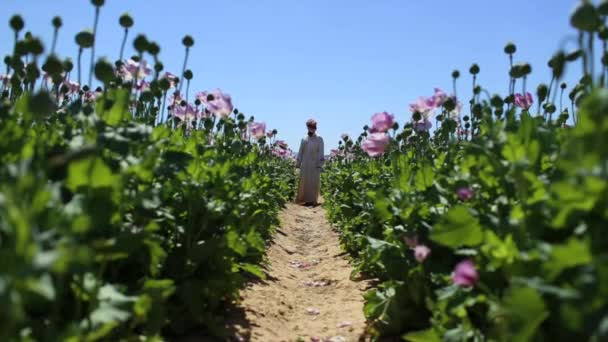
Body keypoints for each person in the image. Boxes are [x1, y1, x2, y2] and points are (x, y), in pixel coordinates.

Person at [295, 119, 324, 206]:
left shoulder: (319, 138)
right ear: (308, 128)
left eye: (314, 127)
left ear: (315, 128)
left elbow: (321, 152)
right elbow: (300, 152)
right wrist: (298, 163)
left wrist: (320, 164)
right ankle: (304, 199)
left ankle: (312, 200)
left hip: (315, 164)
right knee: (305, 181)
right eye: (310, 127)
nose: (312, 129)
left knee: (313, 181)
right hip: (305, 164)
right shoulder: (304, 139)